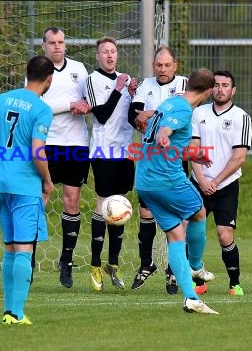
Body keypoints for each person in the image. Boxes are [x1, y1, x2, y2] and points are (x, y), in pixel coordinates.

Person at [135, 68, 219, 314]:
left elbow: (170, 142)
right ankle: (195, 266)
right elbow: (165, 132)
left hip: (145, 182)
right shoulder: (183, 110)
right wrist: (163, 134)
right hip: (167, 180)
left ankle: (191, 298)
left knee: (175, 236)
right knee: (200, 211)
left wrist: (195, 154)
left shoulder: (170, 102)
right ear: (210, 91)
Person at [0, 55, 55, 325]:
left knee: (10, 249)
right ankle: (17, 313)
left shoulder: (2, 100)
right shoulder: (42, 109)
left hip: (2, 183)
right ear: (49, 79)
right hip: (25, 185)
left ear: (26, 73)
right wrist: (47, 180)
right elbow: (37, 150)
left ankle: (8, 311)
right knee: (24, 249)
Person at [128, 46, 189, 294]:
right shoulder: (145, 85)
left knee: (180, 218)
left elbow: (184, 114)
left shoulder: (184, 84)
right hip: (150, 158)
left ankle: (174, 271)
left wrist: (153, 113)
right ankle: (146, 264)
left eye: (167, 65)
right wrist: (152, 115)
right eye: (158, 65)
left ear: (175, 66)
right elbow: (135, 116)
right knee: (146, 213)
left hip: (175, 157)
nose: (162, 70)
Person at [190, 70, 252, 296]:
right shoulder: (198, 113)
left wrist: (215, 181)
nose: (220, 89)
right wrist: (202, 177)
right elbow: (192, 149)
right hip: (198, 183)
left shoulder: (241, 117)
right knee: (190, 230)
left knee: (224, 235)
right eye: (216, 85)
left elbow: (240, 157)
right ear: (210, 89)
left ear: (233, 90)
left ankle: (234, 282)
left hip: (225, 185)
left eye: (225, 85)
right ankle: (197, 281)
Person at [86, 36, 137, 291]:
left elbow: (129, 118)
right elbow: (103, 116)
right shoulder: (92, 80)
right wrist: (118, 89)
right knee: (104, 204)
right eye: (105, 52)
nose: (109, 55)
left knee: (120, 208)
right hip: (103, 151)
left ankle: (113, 265)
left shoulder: (126, 81)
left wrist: (132, 95)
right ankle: (95, 264)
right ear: (98, 56)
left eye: (113, 52)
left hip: (126, 151)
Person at [40, 26, 90, 288]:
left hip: (76, 144)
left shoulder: (79, 69)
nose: (57, 46)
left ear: (66, 45)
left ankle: (66, 263)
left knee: (72, 201)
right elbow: (35, 106)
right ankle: (29, 258)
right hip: (47, 143)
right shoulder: (37, 70)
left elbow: (90, 98)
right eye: (52, 42)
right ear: (44, 45)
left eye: (61, 42)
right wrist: (69, 105)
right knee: (41, 197)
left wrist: (85, 105)